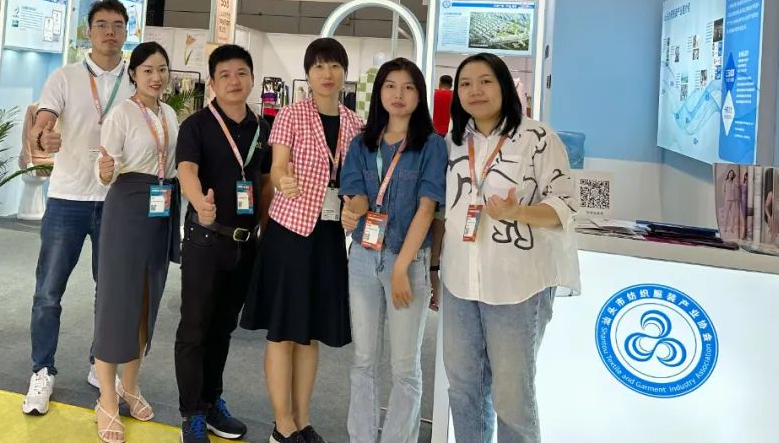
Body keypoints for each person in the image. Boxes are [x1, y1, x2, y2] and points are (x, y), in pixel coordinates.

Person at [440, 52, 579, 443]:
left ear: (504, 85)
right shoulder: (453, 142)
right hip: (459, 281)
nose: (475, 90)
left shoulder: (538, 138)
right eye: (466, 84)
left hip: (517, 286)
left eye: (485, 81)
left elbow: (566, 205)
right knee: (463, 387)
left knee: (512, 396)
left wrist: (520, 213)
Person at [240, 37, 365, 443]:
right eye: (319, 67)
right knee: (282, 331)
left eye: (335, 66)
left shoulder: (356, 124)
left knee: (309, 332)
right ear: (308, 74)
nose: (327, 74)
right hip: (290, 232)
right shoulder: (291, 115)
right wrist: (283, 181)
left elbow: (356, 181)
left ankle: (303, 419)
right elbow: (277, 166)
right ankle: (282, 424)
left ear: (344, 73)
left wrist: (355, 204)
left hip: (328, 236)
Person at [22, 0, 133, 416]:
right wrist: (42, 138)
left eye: (117, 25)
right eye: (101, 24)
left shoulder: (135, 79)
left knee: (111, 292)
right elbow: (42, 124)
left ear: (126, 31)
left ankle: (99, 364)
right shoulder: (65, 76)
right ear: (89, 31)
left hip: (117, 201)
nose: (109, 32)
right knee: (48, 291)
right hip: (68, 198)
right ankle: (41, 370)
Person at [340, 58, 447, 443]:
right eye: (390, 86)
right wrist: (352, 210)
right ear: (379, 93)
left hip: (409, 261)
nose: (398, 94)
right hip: (364, 258)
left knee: (404, 367)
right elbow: (356, 193)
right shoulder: (361, 143)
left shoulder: (432, 146)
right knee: (363, 361)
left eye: (408, 87)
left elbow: (427, 208)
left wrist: (402, 267)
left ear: (420, 95)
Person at [174, 44, 274, 442]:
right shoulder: (196, 125)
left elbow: (264, 182)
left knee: (223, 327)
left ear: (252, 79)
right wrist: (200, 202)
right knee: (195, 327)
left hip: (245, 245)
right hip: (206, 238)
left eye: (241, 73)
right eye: (225, 75)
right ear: (213, 83)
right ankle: (191, 413)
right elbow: (186, 168)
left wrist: (266, 227)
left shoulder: (262, 128)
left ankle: (212, 401)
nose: (234, 81)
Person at [93, 41, 180, 443]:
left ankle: (130, 386)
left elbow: (173, 163)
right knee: (118, 302)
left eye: (162, 69)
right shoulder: (122, 114)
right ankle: (107, 399)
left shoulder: (170, 113)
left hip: (161, 209)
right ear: (133, 74)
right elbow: (105, 173)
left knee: (147, 300)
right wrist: (104, 170)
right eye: (148, 70)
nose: (156, 77)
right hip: (127, 208)